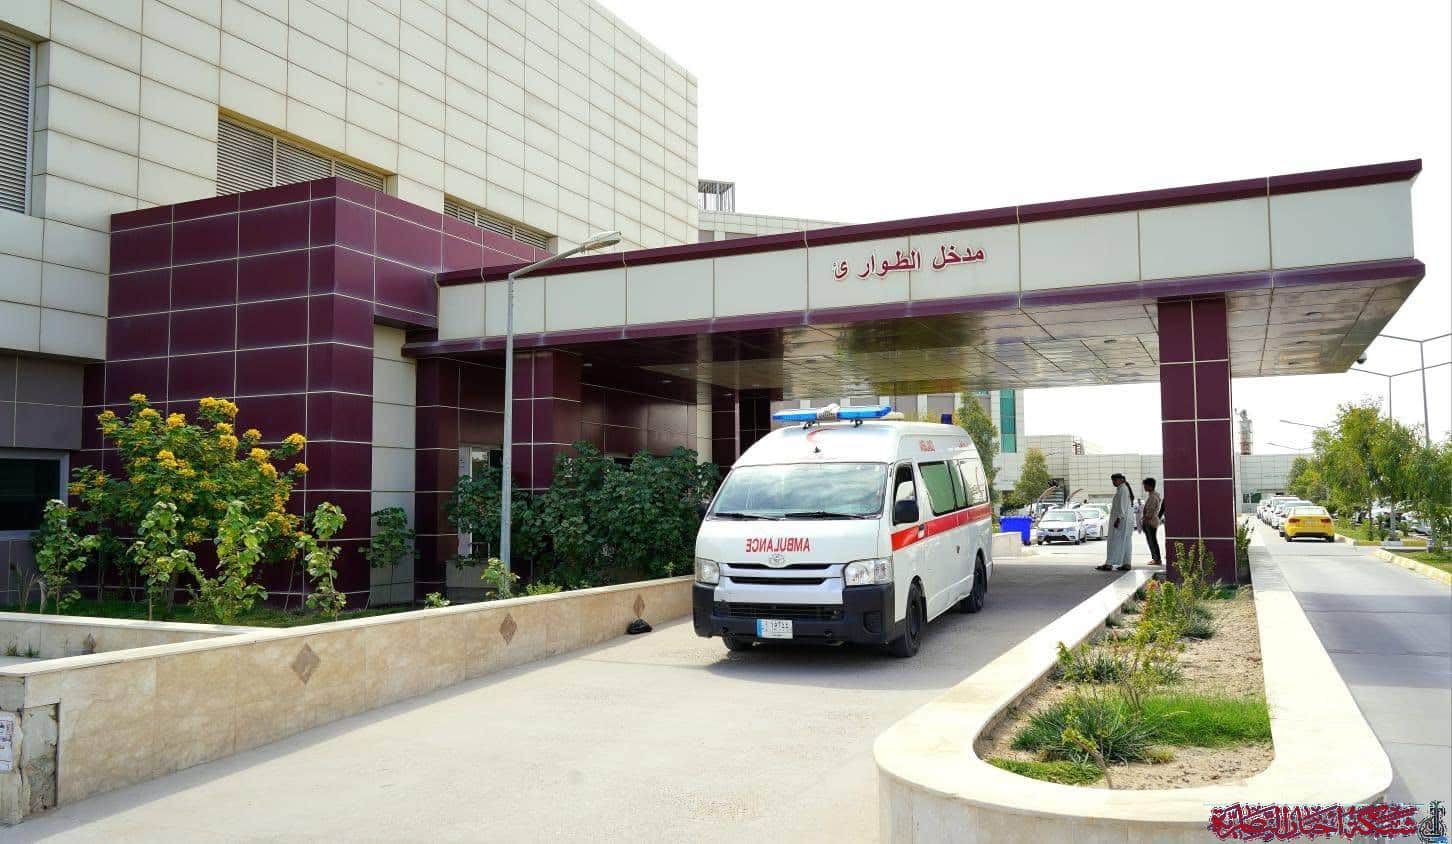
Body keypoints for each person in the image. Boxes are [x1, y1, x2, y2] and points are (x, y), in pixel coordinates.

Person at [1095, 473, 1134, 572]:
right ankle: (1126, 563)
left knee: (1115, 542)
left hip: (1122, 520)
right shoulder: (1123, 489)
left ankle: (1109, 564)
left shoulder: (1123, 489)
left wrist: (1118, 519)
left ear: (1121, 480)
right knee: (1125, 542)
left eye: (1115, 480)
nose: (1113, 482)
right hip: (1125, 520)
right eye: (1112, 480)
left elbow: (1122, 507)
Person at [1141, 477, 1164, 566]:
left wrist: (1145, 519)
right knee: (1152, 541)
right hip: (1151, 521)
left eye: (1145, 485)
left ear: (1150, 486)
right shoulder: (1153, 495)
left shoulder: (1153, 497)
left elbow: (1150, 512)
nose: (1144, 487)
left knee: (1152, 541)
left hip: (1150, 522)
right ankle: (1156, 558)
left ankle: (1156, 559)